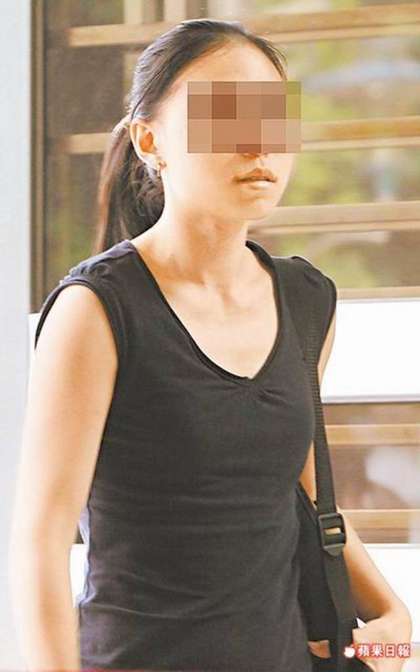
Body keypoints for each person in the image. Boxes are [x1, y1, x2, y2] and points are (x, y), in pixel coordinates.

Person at [9, 18, 412, 672]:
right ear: (150, 141)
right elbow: (40, 542)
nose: (257, 143)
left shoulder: (306, 300)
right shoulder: (97, 309)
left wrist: (395, 620)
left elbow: (308, 499)